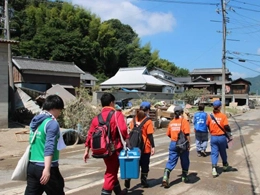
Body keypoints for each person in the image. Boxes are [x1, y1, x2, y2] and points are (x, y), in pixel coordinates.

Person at [83, 93, 129, 195]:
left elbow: (90, 134)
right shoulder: (117, 115)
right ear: (111, 103)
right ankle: (105, 192)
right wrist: (128, 141)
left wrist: (86, 150)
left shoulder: (96, 118)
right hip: (115, 150)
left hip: (103, 149)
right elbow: (123, 130)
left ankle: (119, 192)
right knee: (111, 173)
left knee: (111, 170)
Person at [25, 94, 65, 195]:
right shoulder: (51, 123)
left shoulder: (36, 120)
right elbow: (49, 147)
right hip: (46, 167)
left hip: (32, 165)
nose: (59, 113)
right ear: (54, 108)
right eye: (60, 110)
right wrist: (47, 169)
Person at [124, 101, 155, 189]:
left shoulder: (133, 119)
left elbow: (130, 131)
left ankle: (128, 178)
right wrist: (153, 146)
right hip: (145, 147)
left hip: (133, 147)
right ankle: (144, 181)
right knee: (144, 165)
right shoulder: (148, 121)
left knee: (133, 163)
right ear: (148, 110)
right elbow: (150, 135)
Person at [162, 106, 191, 188]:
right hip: (183, 143)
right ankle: (184, 176)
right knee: (185, 159)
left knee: (171, 160)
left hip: (173, 143)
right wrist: (188, 144)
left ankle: (165, 176)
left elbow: (168, 134)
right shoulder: (184, 121)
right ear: (182, 112)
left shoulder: (171, 122)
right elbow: (187, 134)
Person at [208, 100, 233, 178]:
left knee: (214, 153)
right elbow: (226, 126)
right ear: (219, 107)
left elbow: (207, 125)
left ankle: (214, 169)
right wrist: (229, 133)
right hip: (221, 137)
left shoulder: (210, 116)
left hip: (213, 137)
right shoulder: (223, 116)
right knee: (223, 151)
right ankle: (225, 165)